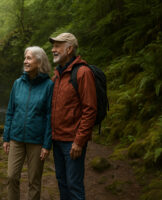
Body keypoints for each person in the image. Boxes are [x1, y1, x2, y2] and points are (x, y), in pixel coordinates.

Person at [49, 32, 97, 200]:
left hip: (72, 142)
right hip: (57, 139)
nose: (53, 49)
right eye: (53, 46)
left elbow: (90, 109)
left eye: (57, 46)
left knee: (74, 185)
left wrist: (79, 141)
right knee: (62, 182)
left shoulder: (83, 73)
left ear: (69, 49)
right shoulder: (57, 75)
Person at [3, 46, 54, 200]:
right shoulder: (17, 84)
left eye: (29, 58)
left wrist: (47, 144)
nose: (25, 61)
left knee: (34, 181)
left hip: (36, 141)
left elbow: (50, 116)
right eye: (25, 58)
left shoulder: (48, 86)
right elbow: (10, 111)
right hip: (16, 138)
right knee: (11, 176)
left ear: (39, 62)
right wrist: (6, 137)